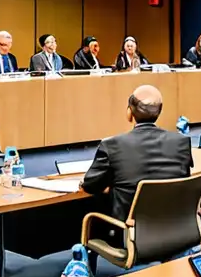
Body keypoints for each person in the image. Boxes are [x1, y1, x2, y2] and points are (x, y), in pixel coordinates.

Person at [81, 85, 193, 222]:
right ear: (159, 112)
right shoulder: (181, 142)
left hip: (128, 235)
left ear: (129, 113)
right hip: (177, 232)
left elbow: (90, 186)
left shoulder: (112, 146)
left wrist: (112, 189)